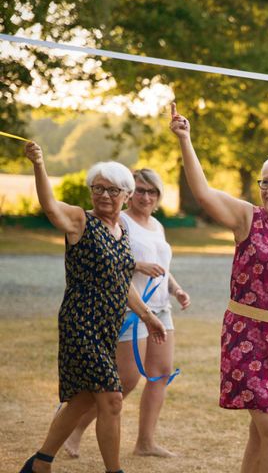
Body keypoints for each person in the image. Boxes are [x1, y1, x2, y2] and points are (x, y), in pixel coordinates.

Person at [169, 102, 268, 473]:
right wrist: (185, 140)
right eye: (265, 182)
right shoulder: (247, 218)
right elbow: (204, 192)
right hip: (248, 337)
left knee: (260, 436)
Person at [19, 142, 167, 473]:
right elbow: (50, 206)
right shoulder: (80, 221)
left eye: (112, 190)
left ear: (126, 195)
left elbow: (120, 280)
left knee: (83, 399)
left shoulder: (122, 230)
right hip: (80, 323)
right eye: (97, 188)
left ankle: (40, 462)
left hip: (106, 326)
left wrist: (147, 315)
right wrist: (39, 164)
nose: (103, 195)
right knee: (112, 399)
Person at [63, 168, 191, 459]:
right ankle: (75, 430)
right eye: (141, 190)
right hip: (129, 307)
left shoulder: (157, 226)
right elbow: (107, 260)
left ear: (158, 197)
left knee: (160, 375)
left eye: (152, 191)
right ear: (130, 193)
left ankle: (145, 442)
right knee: (125, 380)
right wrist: (137, 266)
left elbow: (162, 266)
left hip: (162, 308)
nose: (146, 196)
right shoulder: (120, 221)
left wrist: (177, 289)